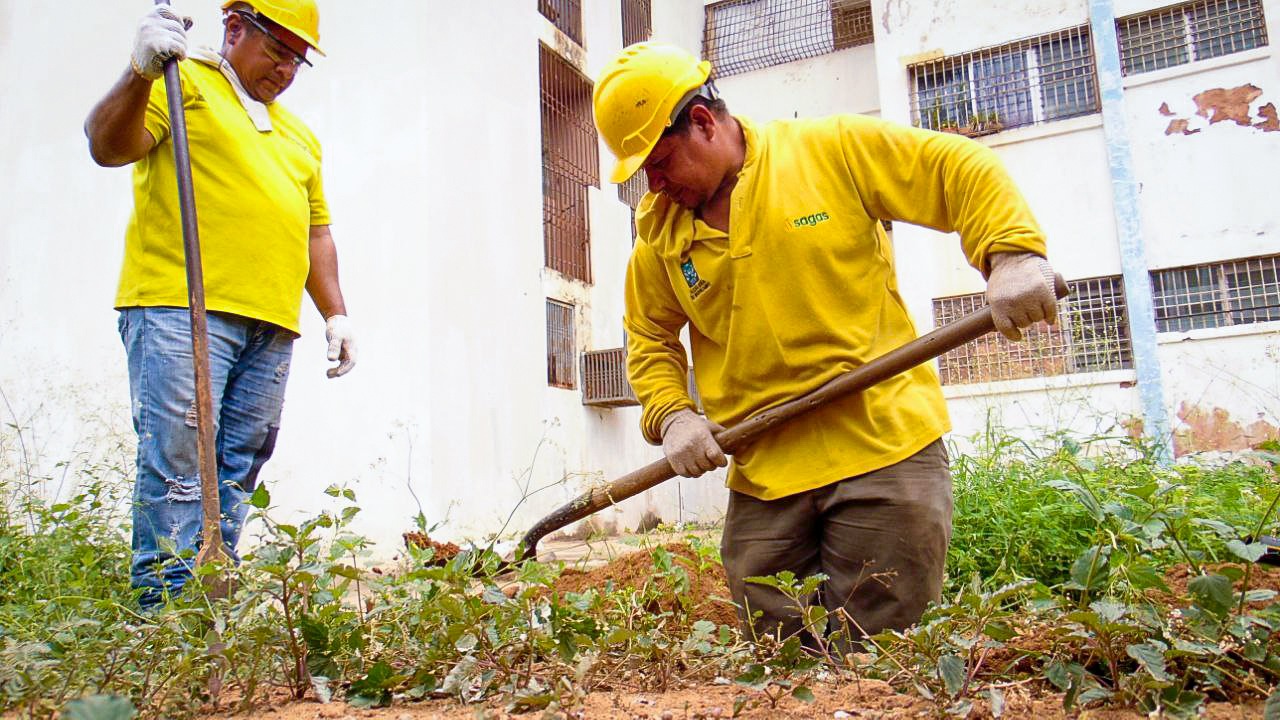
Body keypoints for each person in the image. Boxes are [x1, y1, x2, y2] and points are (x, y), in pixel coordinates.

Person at [592, 43, 1059, 644]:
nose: (652, 185)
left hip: (881, 448)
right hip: (764, 470)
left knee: (886, 656)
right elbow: (649, 335)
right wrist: (674, 414)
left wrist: (1011, 252)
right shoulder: (662, 235)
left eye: (658, 163)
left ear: (703, 123)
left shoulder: (827, 150)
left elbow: (954, 168)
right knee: (780, 663)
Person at [84, 0, 356, 608]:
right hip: (181, 308)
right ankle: (161, 616)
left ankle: (207, 601)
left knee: (236, 465)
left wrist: (335, 314)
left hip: (272, 324)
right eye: (277, 50)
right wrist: (138, 71)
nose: (286, 69)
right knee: (179, 460)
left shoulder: (299, 136)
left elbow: (316, 231)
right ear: (234, 28)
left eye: (297, 59)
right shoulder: (182, 81)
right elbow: (107, 146)